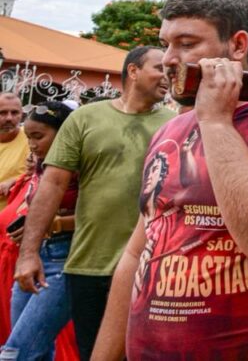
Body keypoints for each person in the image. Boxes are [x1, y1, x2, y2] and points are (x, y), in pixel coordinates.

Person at [88, 0, 248, 360]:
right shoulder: (169, 131)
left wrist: (217, 122)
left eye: (187, 44)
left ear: (237, 46)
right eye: (166, 43)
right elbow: (138, 254)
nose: (169, 58)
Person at [14, 46, 171, 360]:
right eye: (160, 68)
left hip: (151, 268)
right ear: (133, 71)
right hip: (89, 264)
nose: (168, 75)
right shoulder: (86, 118)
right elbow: (53, 184)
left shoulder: (174, 123)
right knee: (90, 353)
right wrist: (29, 253)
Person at [3, 101, 77, 360]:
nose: (32, 144)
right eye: (29, 137)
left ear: (65, 133)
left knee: (16, 352)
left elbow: (95, 218)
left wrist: (51, 223)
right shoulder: (41, 165)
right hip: (33, 257)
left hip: (64, 259)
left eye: (38, 137)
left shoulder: (79, 168)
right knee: (38, 350)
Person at [0, 94, 30, 209]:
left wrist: (15, 181)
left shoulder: (32, 139)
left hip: (14, 219)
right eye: (2, 113)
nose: (9, 118)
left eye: (14, 113)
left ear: (21, 114)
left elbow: (41, 175)